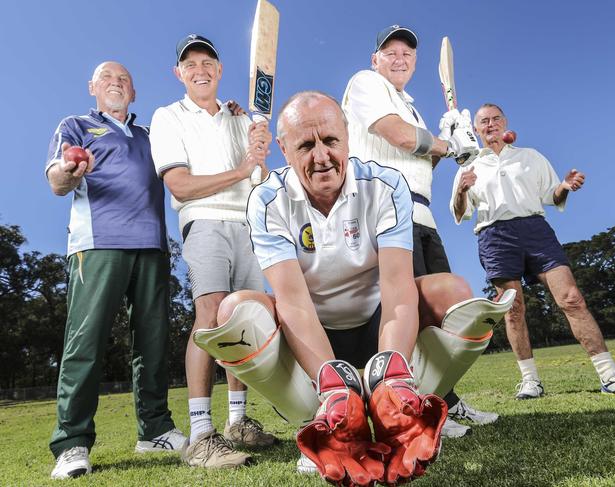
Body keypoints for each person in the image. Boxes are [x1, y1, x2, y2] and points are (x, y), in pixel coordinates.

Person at [193, 92, 515, 486]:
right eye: (306, 145)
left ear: (347, 136)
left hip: (377, 321)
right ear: (283, 149)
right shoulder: (266, 201)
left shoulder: (385, 185)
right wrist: (333, 385)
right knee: (234, 311)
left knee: (455, 292)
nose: (322, 156)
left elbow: (397, 289)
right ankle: (326, 418)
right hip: (311, 335)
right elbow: (293, 303)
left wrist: (391, 377)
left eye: (330, 141)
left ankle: (400, 407)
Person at [341, 25, 495, 437]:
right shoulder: (365, 83)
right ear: (376, 59)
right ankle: (404, 405)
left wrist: (451, 140)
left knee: (438, 315)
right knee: (403, 312)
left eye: (407, 54)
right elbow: (397, 135)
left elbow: (422, 162)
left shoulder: (411, 107)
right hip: (384, 212)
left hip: (421, 215)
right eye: (389, 52)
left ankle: (444, 401)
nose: (398, 58)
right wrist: (448, 145)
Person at [451, 103, 615, 399]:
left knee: (572, 298)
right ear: (476, 129)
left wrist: (566, 186)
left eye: (495, 119)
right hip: (495, 236)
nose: (490, 124)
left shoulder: (530, 157)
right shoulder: (468, 166)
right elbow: (459, 213)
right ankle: (531, 381)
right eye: (484, 121)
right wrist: (462, 191)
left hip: (536, 231)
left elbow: (551, 196)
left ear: (505, 123)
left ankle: (610, 376)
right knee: (514, 310)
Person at [46, 62, 185, 479]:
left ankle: (155, 429)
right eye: (107, 78)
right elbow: (56, 179)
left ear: (134, 92)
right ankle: (71, 443)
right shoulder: (76, 125)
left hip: (153, 246)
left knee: (154, 343)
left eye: (124, 79)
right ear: (92, 87)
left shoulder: (150, 135)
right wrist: (70, 172)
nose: (116, 83)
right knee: (85, 342)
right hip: (98, 244)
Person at [149, 34, 276, 469]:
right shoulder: (168, 116)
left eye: (207, 62)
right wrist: (243, 168)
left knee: (242, 322)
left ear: (220, 71)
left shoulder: (241, 118)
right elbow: (180, 184)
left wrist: (260, 152)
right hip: (203, 220)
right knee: (209, 316)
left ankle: (238, 423)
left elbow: (259, 180)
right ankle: (201, 434)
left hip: (248, 224)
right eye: (190, 64)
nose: (199, 69)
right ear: (178, 73)